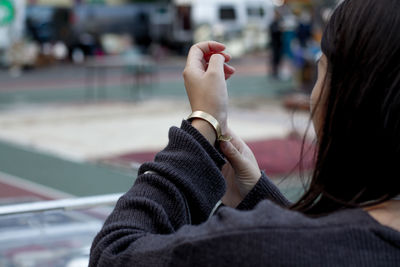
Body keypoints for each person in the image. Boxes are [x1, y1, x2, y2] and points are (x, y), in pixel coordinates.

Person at [90, 0, 400, 265]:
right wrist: (257, 196)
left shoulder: (262, 244)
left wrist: (202, 125)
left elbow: (113, 253)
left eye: (322, 68)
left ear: (350, 96)